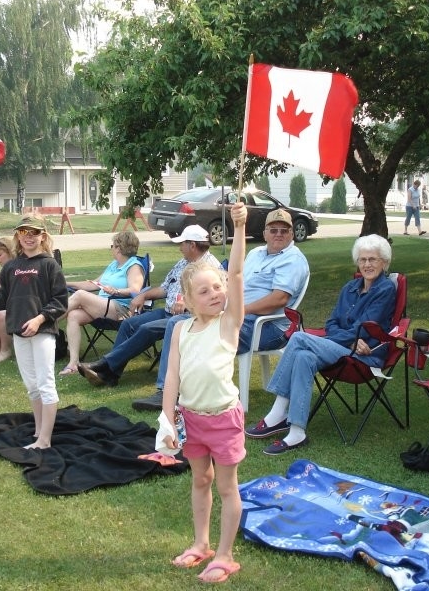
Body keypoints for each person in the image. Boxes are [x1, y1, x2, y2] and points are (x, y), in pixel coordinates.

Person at [132, 208, 309, 410]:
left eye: (284, 230)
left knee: (187, 327)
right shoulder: (256, 253)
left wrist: (238, 311)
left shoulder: (293, 259)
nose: (278, 234)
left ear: (292, 233)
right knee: (178, 323)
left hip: (268, 327)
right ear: (265, 232)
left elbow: (279, 298)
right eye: (273, 229)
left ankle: (175, 392)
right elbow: (233, 281)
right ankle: (173, 390)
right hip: (236, 316)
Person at [244, 234, 396, 455]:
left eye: (373, 259)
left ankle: (277, 414)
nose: (367, 265)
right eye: (362, 260)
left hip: (364, 355)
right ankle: (297, 432)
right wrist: (347, 337)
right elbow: (332, 322)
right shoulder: (350, 288)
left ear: (384, 262)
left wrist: (349, 338)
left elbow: (364, 328)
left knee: (298, 338)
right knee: (304, 357)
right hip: (345, 347)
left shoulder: (385, 290)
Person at [160, 202, 247, 584]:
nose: (214, 293)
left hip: (224, 420)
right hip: (192, 420)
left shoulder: (229, 323)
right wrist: (167, 421)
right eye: (204, 290)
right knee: (200, 480)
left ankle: (225, 555)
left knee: (227, 486)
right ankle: (201, 544)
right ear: (188, 300)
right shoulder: (181, 330)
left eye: (218, 286)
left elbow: (239, 273)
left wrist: (240, 227)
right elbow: (173, 378)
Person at [0, 216, 68, 449]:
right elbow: (1, 301)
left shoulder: (50, 265)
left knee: (45, 383)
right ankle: (39, 432)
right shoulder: (11, 267)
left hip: (42, 332)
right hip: (18, 333)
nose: (29, 236)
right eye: (24, 232)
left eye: (34, 232)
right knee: (32, 385)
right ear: (18, 236)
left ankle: (45, 441)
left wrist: (40, 319)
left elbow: (61, 301)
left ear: (43, 236)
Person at [77, 225, 220, 387]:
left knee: (147, 329)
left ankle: (105, 366)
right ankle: (111, 375)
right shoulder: (183, 263)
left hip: (190, 317)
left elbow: (216, 298)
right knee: (128, 324)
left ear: (192, 245)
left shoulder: (211, 267)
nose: (180, 248)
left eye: (182, 244)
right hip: (167, 312)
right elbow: (164, 288)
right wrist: (142, 296)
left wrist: (187, 301)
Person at [58, 231, 145, 375]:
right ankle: (73, 363)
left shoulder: (134, 266)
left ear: (118, 248)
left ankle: (48, 321)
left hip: (121, 310)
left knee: (79, 295)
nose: (111, 248)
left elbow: (135, 289)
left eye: (112, 246)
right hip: (103, 306)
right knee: (73, 315)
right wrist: (64, 283)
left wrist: (117, 291)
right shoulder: (114, 265)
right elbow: (94, 285)